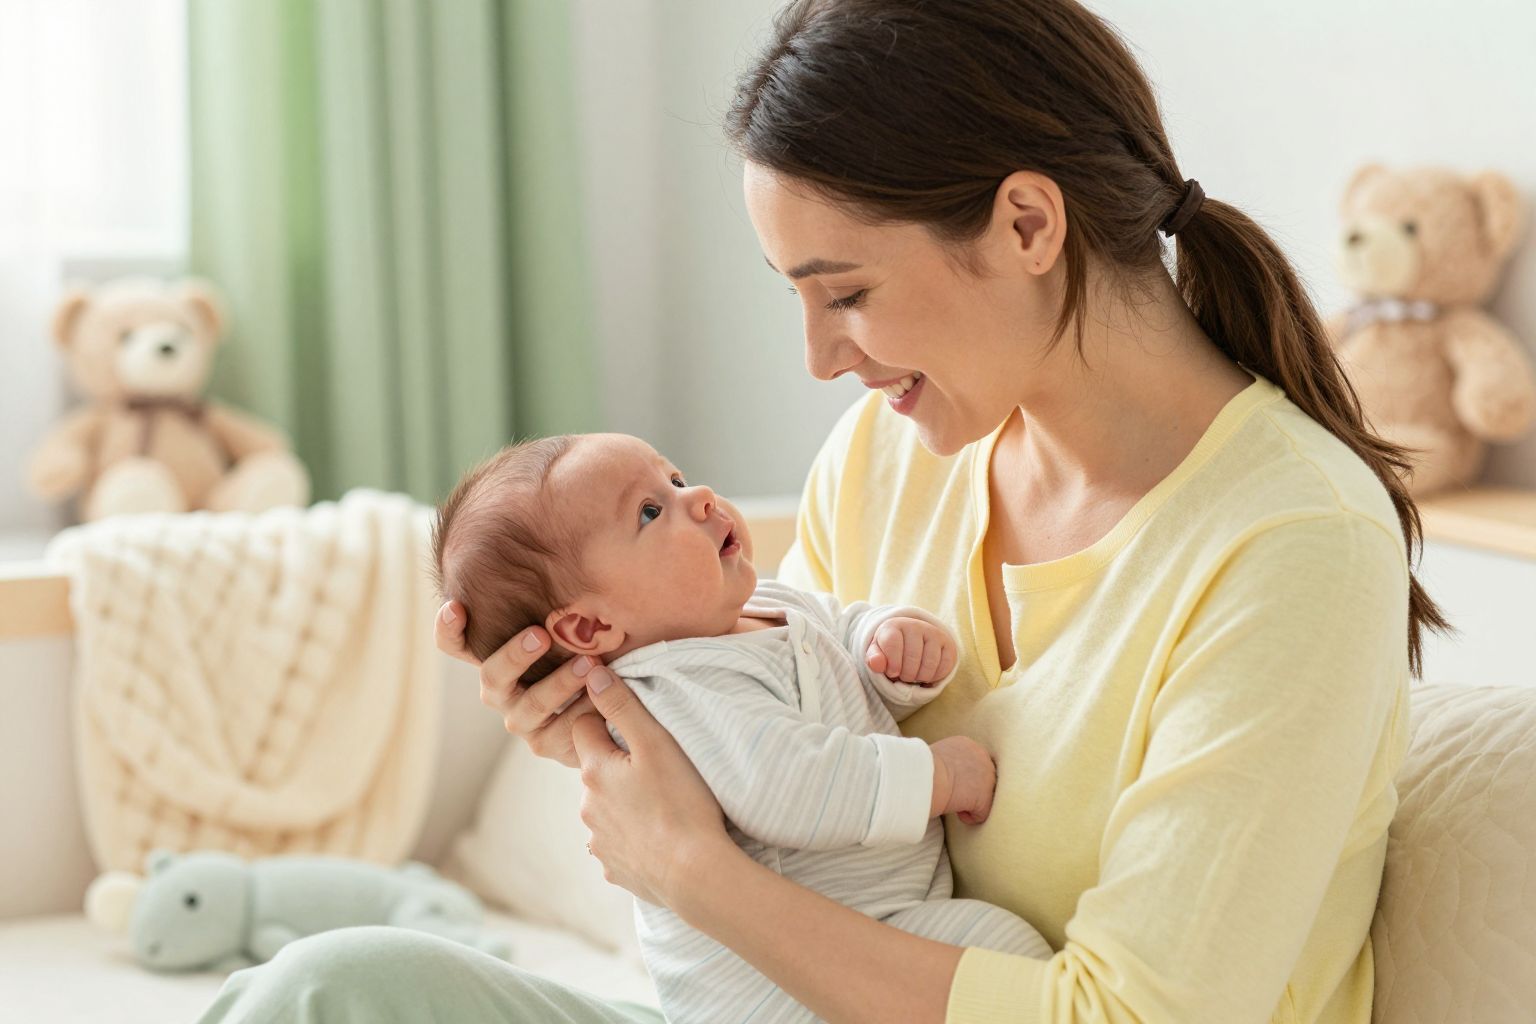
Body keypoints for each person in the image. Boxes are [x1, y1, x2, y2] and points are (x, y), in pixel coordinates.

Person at [196, 0, 1446, 1021]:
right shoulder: (889, 456)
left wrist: (689, 871)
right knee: (330, 989)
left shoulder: (1296, 545)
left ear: (1027, 223)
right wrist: (608, 727)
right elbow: (758, 743)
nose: (818, 358)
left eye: (844, 293)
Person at [429, 431, 1053, 1022]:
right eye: (650, 512)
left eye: (675, 479)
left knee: (1004, 968)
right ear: (590, 628)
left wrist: (885, 646)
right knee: (1004, 957)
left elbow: (839, 645)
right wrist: (938, 778)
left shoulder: (765, 605)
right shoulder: (675, 687)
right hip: (774, 994)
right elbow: (790, 786)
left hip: (868, 932)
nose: (699, 497)